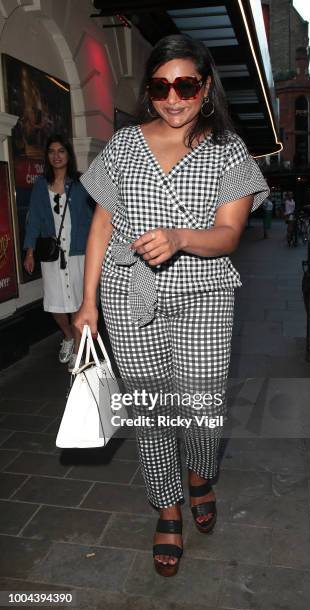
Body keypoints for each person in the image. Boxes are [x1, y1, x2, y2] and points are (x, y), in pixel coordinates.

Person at [75, 34, 269, 577]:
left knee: (200, 409)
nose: (174, 97)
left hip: (203, 292)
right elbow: (101, 225)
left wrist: (181, 237)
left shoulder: (227, 149)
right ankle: (166, 506)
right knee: (150, 409)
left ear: (205, 87)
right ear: (150, 90)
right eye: (161, 86)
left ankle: (200, 473)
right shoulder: (125, 144)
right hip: (126, 294)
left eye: (186, 84)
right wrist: (87, 302)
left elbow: (229, 235)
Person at [23, 134, 94, 371]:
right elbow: (33, 220)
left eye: (61, 151)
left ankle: (77, 350)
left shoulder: (81, 183)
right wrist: (30, 251)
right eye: (52, 151)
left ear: (68, 155)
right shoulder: (40, 187)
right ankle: (68, 336)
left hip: (77, 254)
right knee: (54, 304)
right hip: (52, 255)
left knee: (77, 302)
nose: (56, 156)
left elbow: (97, 216)